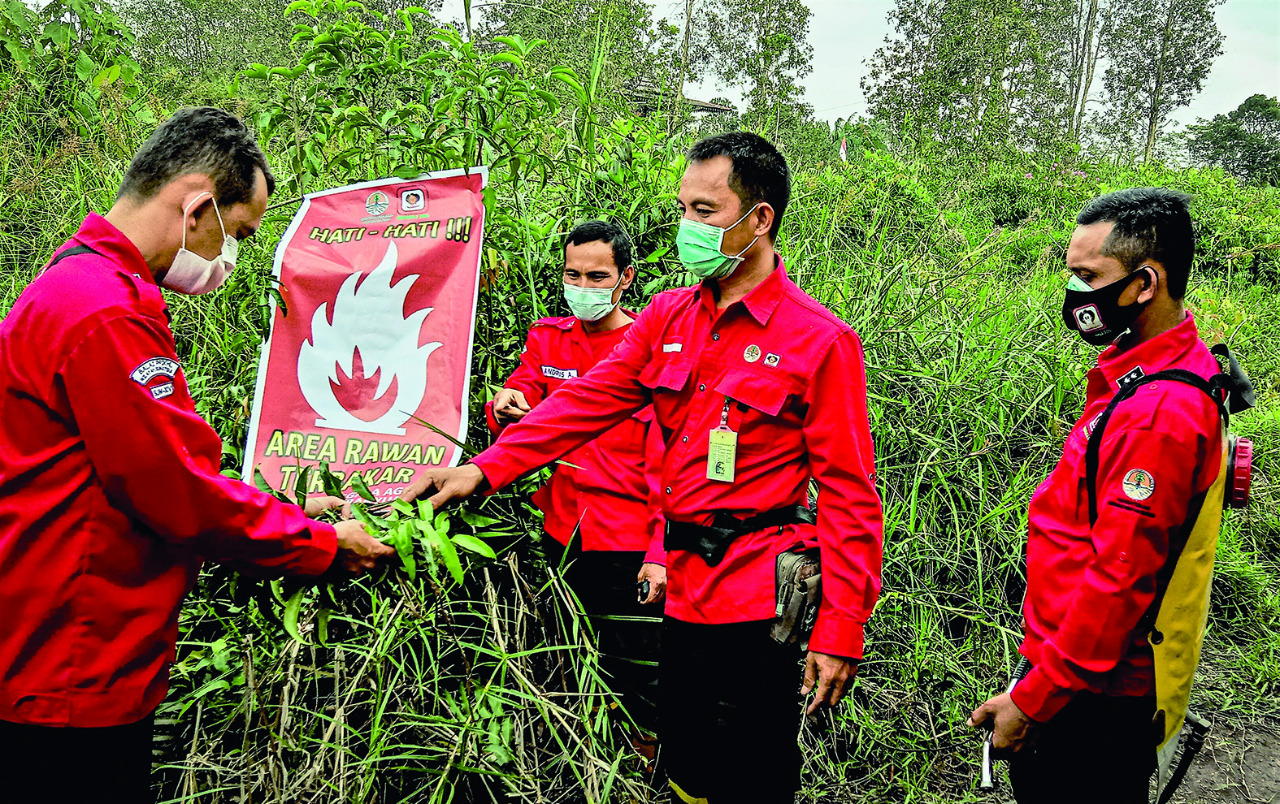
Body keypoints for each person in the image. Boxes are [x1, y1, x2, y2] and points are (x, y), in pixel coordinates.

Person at [400, 132, 884, 803]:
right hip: (679, 589)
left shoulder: (818, 341)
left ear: (760, 219)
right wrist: (483, 469)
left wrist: (842, 628)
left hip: (755, 596)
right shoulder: (668, 317)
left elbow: (849, 496)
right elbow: (582, 404)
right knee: (681, 759)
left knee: (751, 764)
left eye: (705, 211)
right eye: (684, 208)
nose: (687, 226)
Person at [0, 107, 395, 802]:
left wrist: (283, 507)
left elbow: (138, 467)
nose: (229, 257)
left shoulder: (73, 283)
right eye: (237, 233)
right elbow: (176, 492)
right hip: (72, 661)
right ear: (198, 206)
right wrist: (319, 542)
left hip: (47, 637)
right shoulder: (107, 314)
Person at [968, 189, 1227, 803]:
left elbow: (1118, 579)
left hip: (1091, 700)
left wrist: (1034, 700)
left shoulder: (1158, 413)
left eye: (1088, 276)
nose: (1075, 293)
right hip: (1072, 669)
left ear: (1144, 283)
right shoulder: (1144, 375)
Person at [487, 219, 665, 739]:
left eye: (597, 277)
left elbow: (670, 463)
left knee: (637, 665)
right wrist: (504, 403)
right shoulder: (547, 339)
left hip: (627, 538)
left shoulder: (648, 348)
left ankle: (644, 761)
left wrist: (659, 551)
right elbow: (516, 409)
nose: (582, 289)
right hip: (562, 531)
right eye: (573, 275)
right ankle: (582, 756)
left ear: (626, 277)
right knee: (570, 654)